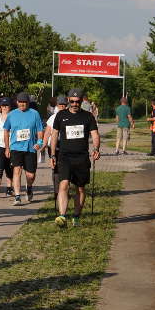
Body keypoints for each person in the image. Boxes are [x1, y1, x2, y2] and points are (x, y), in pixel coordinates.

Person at [50, 89, 100, 227]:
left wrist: (96, 149)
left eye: (77, 102)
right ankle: (62, 216)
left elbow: (95, 135)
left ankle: (76, 216)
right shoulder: (61, 115)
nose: (74, 104)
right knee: (63, 184)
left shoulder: (88, 116)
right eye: (72, 101)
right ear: (68, 100)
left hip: (82, 157)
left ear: (81, 101)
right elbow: (54, 135)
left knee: (80, 189)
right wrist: (53, 154)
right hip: (64, 156)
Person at [3, 92, 44, 205]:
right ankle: (17, 196)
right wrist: (7, 148)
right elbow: (6, 130)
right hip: (16, 147)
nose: (22, 104)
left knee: (30, 175)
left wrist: (39, 142)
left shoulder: (34, 114)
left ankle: (29, 187)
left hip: (30, 147)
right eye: (20, 102)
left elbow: (40, 129)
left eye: (24, 102)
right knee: (17, 170)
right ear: (17, 102)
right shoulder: (12, 114)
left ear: (28, 103)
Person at [0, 97, 14, 197]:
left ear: (10, 106)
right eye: (3, 105)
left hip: (12, 145)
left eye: (6, 105)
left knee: (10, 167)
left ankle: (9, 188)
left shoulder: (13, 116)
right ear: (0, 106)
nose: (4, 107)